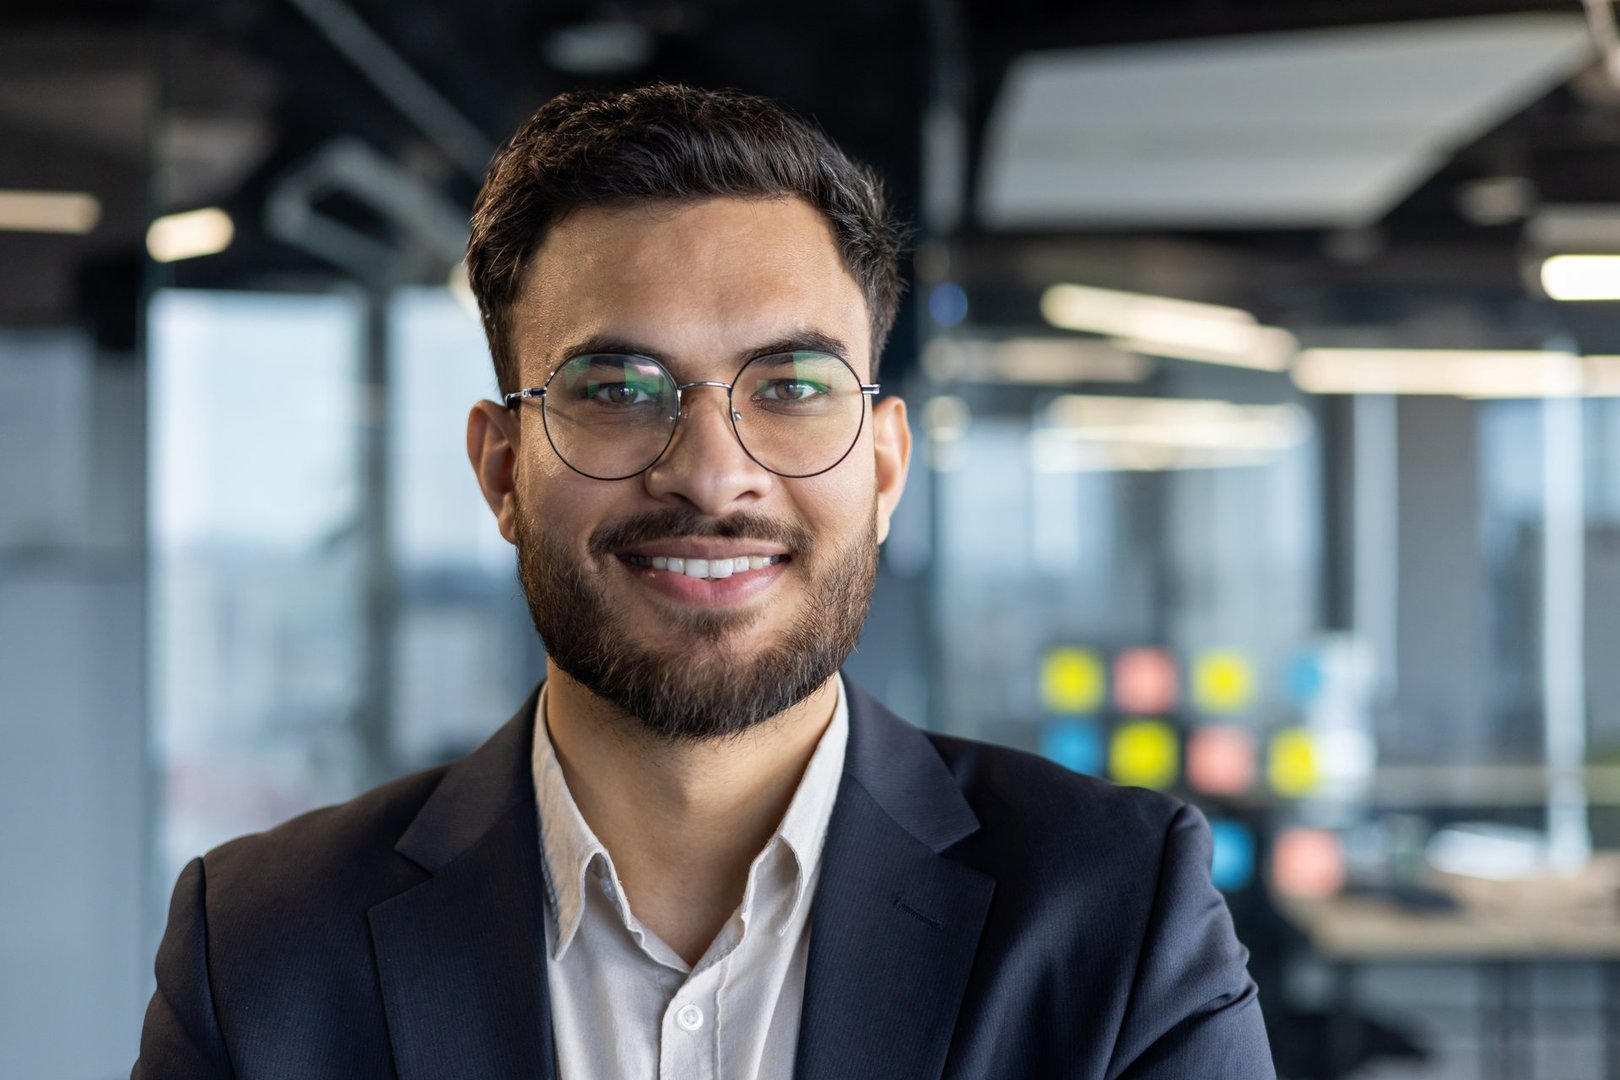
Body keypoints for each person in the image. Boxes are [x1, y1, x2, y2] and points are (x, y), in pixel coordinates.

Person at [134, 84, 1274, 1080]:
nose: (711, 475)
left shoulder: (1118, 912)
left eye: (791, 384)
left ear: (884, 468)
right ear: (500, 471)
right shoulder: (262, 946)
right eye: (618, 388)